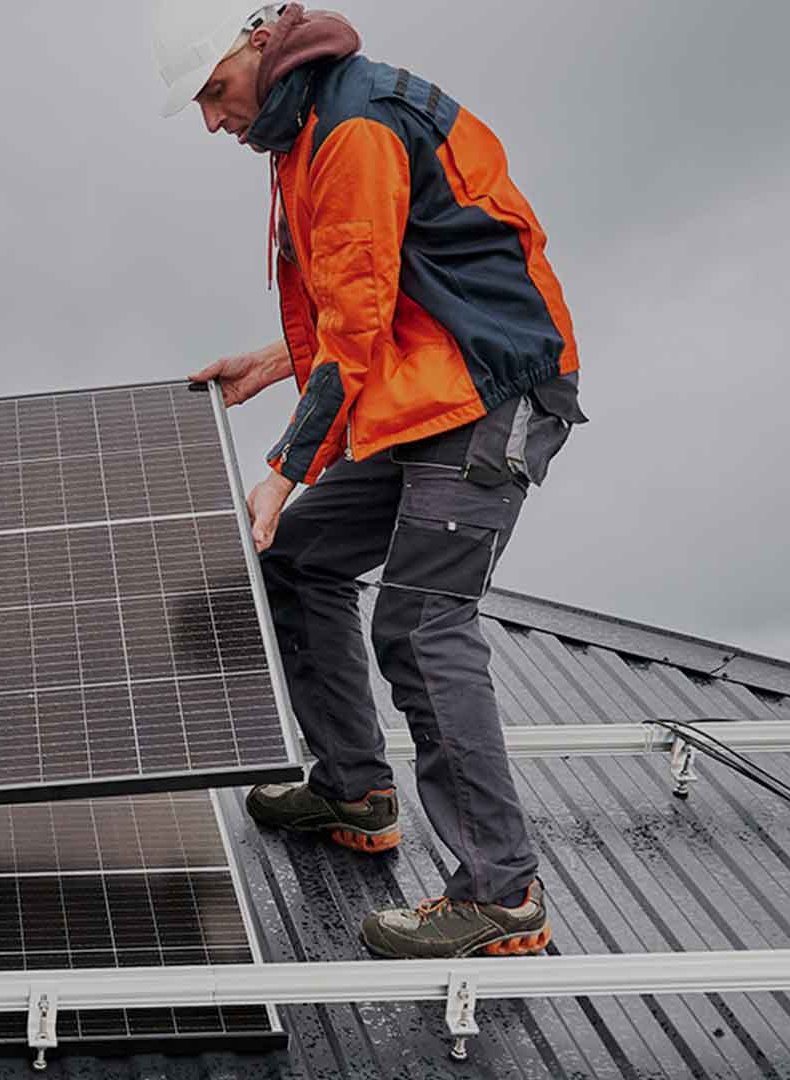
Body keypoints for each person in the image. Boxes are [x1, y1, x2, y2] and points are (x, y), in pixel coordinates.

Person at [152, 2, 587, 959]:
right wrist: (272, 362)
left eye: (214, 94)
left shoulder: (351, 128)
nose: (213, 122)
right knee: (300, 563)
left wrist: (281, 468)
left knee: (422, 625)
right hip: (423, 389)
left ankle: (500, 894)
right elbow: (378, 292)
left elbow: (356, 327)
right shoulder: (305, 126)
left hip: (488, 398)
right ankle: (353, 788)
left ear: (257, 48)